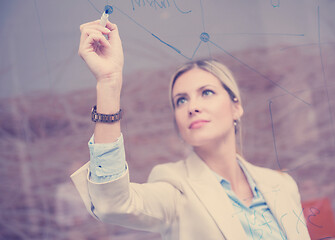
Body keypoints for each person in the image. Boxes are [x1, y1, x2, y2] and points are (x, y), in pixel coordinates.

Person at [71, 19, 311, 240]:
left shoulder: (282, 185)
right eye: (181, 100)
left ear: (236, 106)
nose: (192, 107)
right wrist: (109, 82)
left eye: (206, 93)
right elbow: (113, 205)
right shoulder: (175, 188)